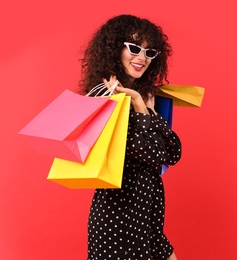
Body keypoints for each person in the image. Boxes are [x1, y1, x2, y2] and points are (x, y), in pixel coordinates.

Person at [79, 14, 182, 260]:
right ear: (115, 49)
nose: (141, 58)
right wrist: (138, 105)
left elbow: (174, 153)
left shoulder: (145, 96)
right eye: (134, 48)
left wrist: (141, 104)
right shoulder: (104, 99)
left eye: (149, 52)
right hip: (118, 223)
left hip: (148, 221)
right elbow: (151, 153)